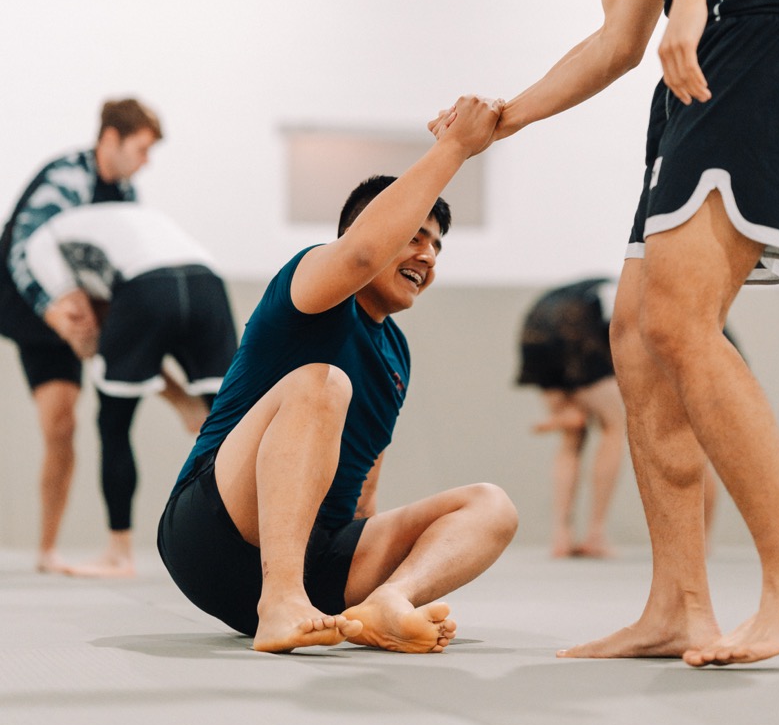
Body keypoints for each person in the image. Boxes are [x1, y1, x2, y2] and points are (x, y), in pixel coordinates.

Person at [433, 0, 779, 666]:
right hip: (685, 78)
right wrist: (501, 119)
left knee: (681, 321)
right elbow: (616, 42)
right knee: (634, 337)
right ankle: (677, 604)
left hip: (757, 41)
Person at [158, 95, 519, 654]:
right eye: (415, 236)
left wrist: (376, 567)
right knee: (323, 382)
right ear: (367, 230)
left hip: (322, 562)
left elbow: (365, 485)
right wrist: (455, 146)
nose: (428, 256)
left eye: (437, 246)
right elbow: (358, 256)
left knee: (491, 505)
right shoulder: (309, 287)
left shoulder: (396, 353)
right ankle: (280, 599)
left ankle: (388, 603)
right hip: (215, 532)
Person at [23, 200, 238, 577]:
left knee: (114, 424)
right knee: (234, 424)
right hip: (209, 283)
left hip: (146, 288)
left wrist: (89, 346)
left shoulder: (39, 245)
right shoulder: (125, 219)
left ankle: (119, 554)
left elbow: (86, 326)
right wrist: (182, 400)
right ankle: (248, 548)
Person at [0, 98, 162, 571]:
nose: (146, 161)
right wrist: (51, 311)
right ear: (110, 139)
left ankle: (47, 550)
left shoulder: (126, 195)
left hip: (78, 305)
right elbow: (23, 250)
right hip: (29, 303)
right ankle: (47, 548)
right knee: (61, 422)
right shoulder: (66, 178)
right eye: (141, 149)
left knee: (64, 424)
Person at [517, 278, 626, 558]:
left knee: (572, 433)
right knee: (614, 426)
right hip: (577, 328)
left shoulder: (594, 285)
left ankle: (561, 536)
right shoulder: (627, 287)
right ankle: (596, 533)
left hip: (535, 330)